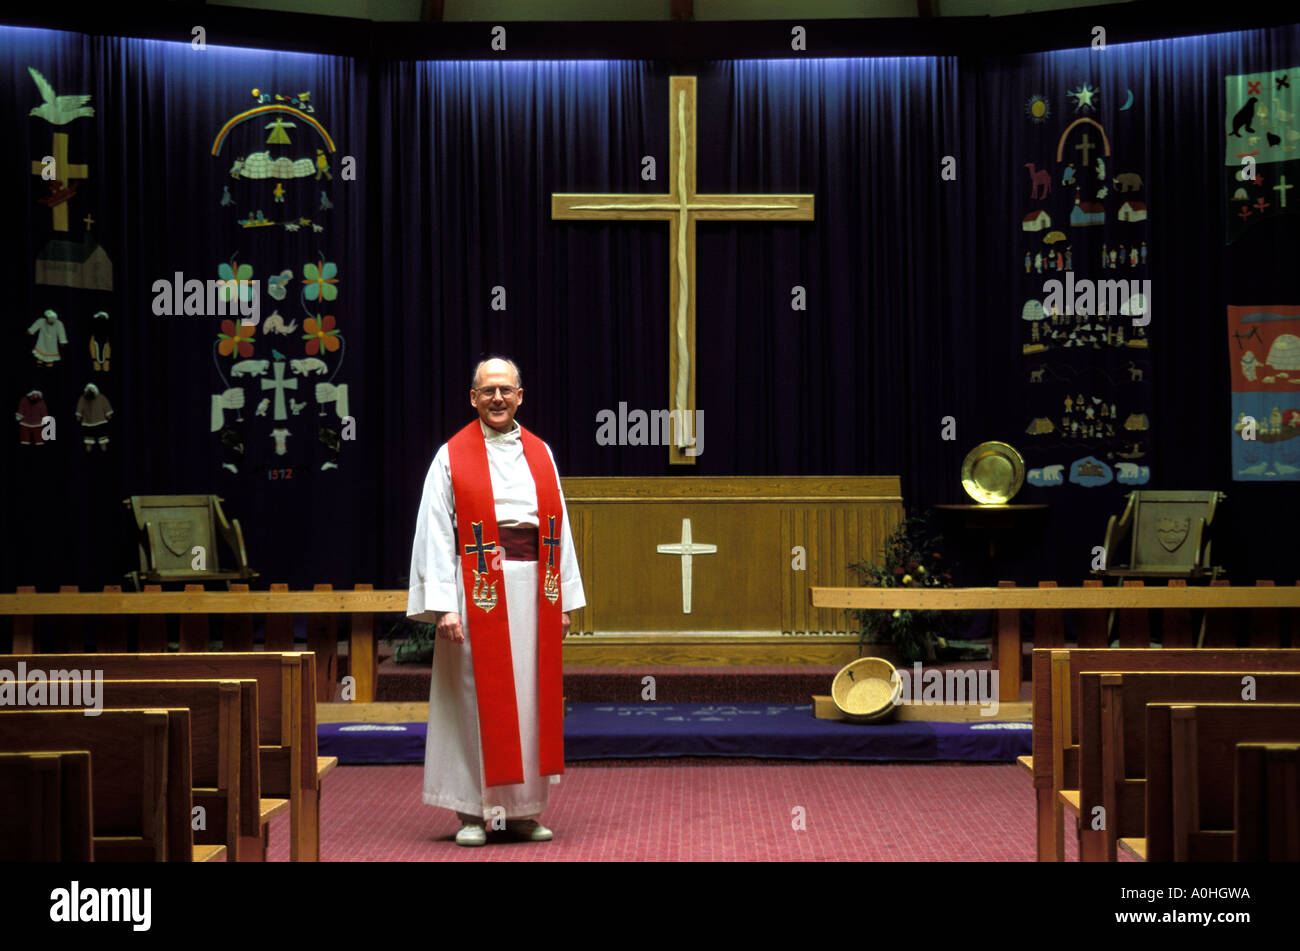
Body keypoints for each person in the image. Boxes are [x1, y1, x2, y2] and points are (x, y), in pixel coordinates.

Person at [406, 357, 585, 846]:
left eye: (506, 390)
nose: (498, 399)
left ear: (520, 396)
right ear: (473, 397)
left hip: (533, 588)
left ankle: (523, 811)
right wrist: (444, 605)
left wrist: (565, 600)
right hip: (477, 588)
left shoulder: (541, 453)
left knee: (529, 697)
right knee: (471, 697)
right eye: (488, 391)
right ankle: (470, 810)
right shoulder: (450, 456)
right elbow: (437, 534)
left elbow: (558, 529)